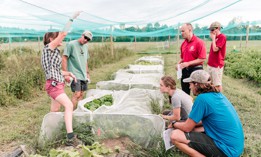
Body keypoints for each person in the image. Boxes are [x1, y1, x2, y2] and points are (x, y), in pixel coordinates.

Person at [170, 70, 244, 157]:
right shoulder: (218, 95)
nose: (189, 87)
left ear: (196, 84)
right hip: (236, 148)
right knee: (196, 129)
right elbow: (201, 122)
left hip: (227, 150)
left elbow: (187, 128)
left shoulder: (202, 99)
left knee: (175, 135)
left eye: (190, 84)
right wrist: (184, 124)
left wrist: (174, 124)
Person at [41, 12, 81, 146]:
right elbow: (63, 33)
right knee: (69, 105)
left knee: (54, 111)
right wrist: (72, 18)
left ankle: (49, 134)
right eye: (57, 36)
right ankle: (71, 138)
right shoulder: (49, 48)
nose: (61, 38)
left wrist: (69, 73)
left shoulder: (54, 52)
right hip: (54, 85)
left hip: (55, 83)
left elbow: (56, 71)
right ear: (52, 39)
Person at [62, 30, 93, 110]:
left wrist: (87, 73)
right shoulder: (71, 44)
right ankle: (70, 112)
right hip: (74, 73)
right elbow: (64, 58)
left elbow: (85, 60)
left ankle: (79, 112)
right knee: (77, 94)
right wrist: (66, 74)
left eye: (88, 39)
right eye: (85, 37)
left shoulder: (86, 46)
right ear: (82, 35)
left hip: (83, 74)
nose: (86, 40)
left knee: (82, 94)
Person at [177, 23, 207, 95]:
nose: (182, 33)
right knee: (185, 92)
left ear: (190, 30)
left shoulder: (199, 42)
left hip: (196, 70)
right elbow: (183, 58)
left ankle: (200, 105)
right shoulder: (183, 44)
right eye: (181, 31)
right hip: (185, 70)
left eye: (183, 31)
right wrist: (178, 64)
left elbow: (202, 58)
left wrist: (188, 63)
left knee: (199, 92)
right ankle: (187, 105)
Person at [207, 21, 227, 92]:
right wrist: (214, 39)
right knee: (210, 84)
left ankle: (219, 100)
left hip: (217, 64)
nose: (211, 32)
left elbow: (215, 49)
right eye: (210, 30)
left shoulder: (222, 37)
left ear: (218, 28)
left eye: (212, 30)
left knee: (217, 85)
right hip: (211, 64)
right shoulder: (216, 38)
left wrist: (213, 39)